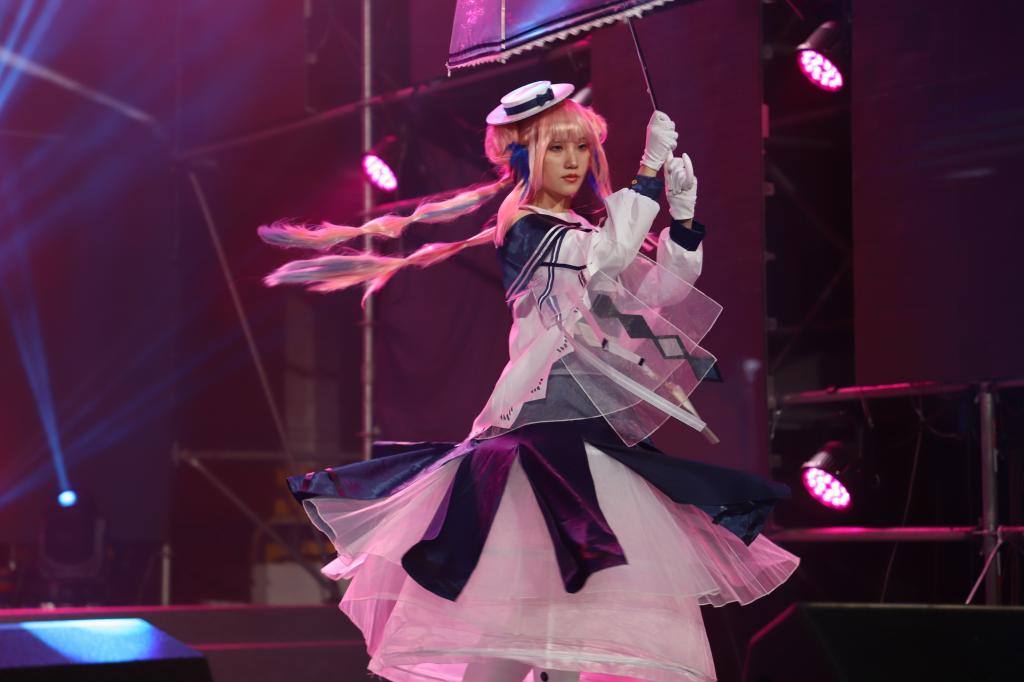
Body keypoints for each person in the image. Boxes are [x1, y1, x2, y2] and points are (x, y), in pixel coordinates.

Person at [260, 81, 798, 682]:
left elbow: (658, 296)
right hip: (544, 437)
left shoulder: (578, 227)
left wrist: (685, 216)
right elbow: (609, 260)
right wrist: (647, 175)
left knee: (566, 632)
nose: (572, 162)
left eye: (580, 148)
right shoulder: (524, 225)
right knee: (518, 629)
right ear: (524, 156)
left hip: (592, 435)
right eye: (556, 149)